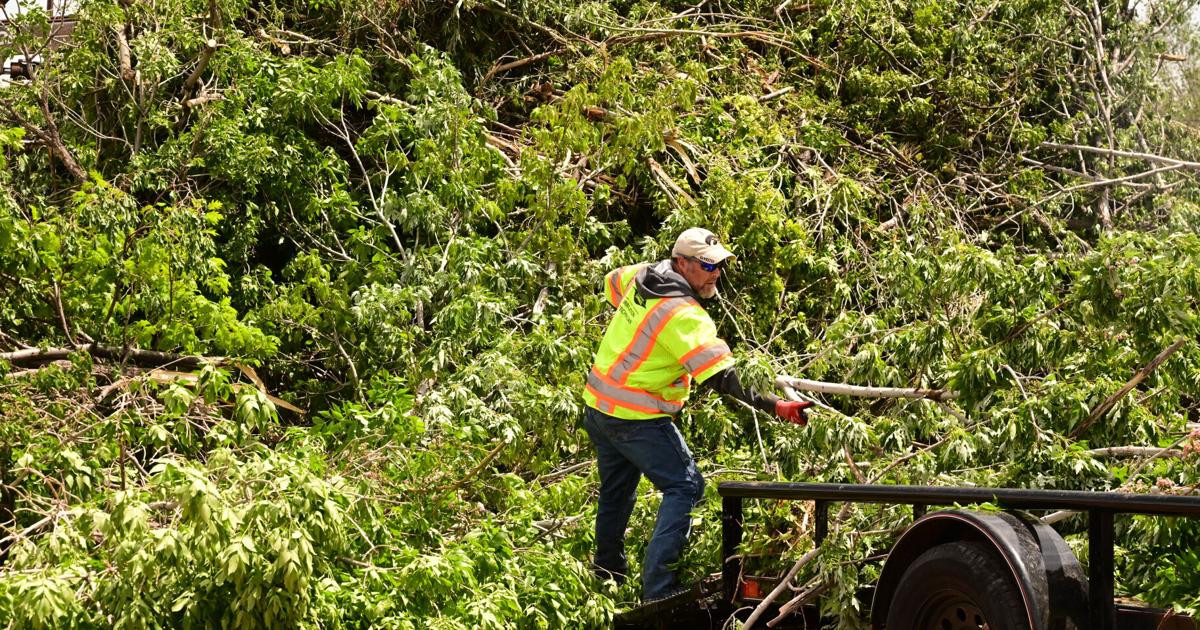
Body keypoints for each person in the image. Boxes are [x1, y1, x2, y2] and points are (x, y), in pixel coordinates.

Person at [581, 227, 813, 602]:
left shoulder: (643, 273)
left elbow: (611, 283)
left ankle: (607, 577)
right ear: (682, 263)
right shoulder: (684, 315)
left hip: (599, 407)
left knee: (616, 494)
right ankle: (658, 592)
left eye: (719, 264)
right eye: (707, 265)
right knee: (686, 487)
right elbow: (724, 377)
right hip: (635, 416)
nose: (716, 273)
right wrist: (777, 405)